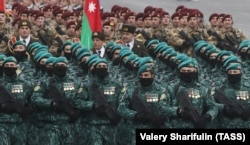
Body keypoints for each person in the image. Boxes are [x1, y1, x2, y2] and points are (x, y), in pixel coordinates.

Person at [0, 56, 33, 145]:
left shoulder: (25, 84)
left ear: (16, 67)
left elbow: (32, 100)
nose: (10, 67)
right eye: (7, 65)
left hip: (20, 123)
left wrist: (28, 109)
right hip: (2, 123)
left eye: (12, 65)